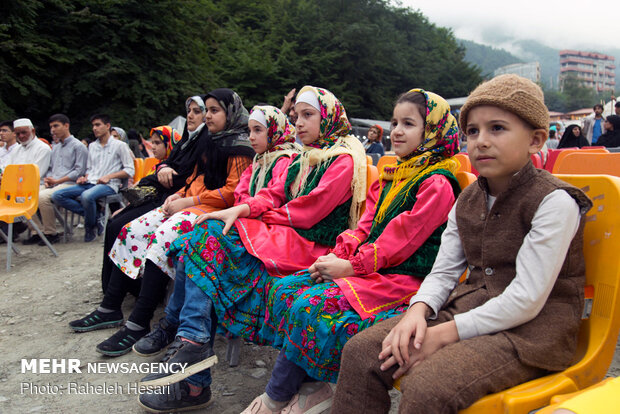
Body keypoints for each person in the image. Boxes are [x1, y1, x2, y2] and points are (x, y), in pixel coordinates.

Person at [331, 74, 593, 414]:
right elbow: (443, 272)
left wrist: (442, 334)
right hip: (469, 311)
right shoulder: (467, 198)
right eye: (472, 131)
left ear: (536, 140)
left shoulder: (554, 201)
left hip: (530, 333)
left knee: (428, 386)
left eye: (497, 128)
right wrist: (417, 311)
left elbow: (526, 299)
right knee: (361, 352)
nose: (480, 141)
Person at [137, 86, 367, 413]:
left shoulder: (342, 159)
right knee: (201, 236)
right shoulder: (303, 155)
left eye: (308, 115)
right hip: (283, 232)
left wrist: (253, 214)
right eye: (295, 116)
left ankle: (190, 361)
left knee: (207, 242)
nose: (298, 123)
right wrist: (244, 211)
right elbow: (272, 194)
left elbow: (306, 211)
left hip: (309, 243)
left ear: (328, 117)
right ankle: (191, 346)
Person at [245, 89, 461, 414]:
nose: (397, 131)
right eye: (394, 122)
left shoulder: (437, 183)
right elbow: (364, 227)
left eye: (409, 124)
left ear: (432, 131)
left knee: (310, 306)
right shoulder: (393, 175)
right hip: (370, 269)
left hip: (402, 279)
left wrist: (351, 267)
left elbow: (399, 241)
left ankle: (277, 395)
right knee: (286, 290)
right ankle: (312, 385)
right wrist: (338, 255)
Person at [68, 88, 254, 358]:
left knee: (162, 238)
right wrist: (179, 194)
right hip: (193, 202)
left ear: (231, 112)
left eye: (215, 111)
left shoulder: (240, 147)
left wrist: (188, 202)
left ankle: (139, 321)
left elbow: (232, 192)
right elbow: (197, 177)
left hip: (214, 211)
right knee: (131, 231)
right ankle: (110, 307)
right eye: (208, 110)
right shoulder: (212, 141)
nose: (209, 116)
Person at [99, 96, 210, 293]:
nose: (191, 116)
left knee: (123, 227)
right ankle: (113, 291)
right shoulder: (187, 141)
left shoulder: (206, 143)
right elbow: (169, 169)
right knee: (115, 223)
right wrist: (164, 167)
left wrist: (164, 172)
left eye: (197, 111)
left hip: (175, 198)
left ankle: (128, 292)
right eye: (189, 111)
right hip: (169, 196)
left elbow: (182, 177)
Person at [51, 114, 134, 242]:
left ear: (107, 126)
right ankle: (96, 217)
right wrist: (84, 177)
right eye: (93, 126)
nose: (94, 128)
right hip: (90, 182)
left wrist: (109, 176)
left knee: (87, 196)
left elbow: (129, 170)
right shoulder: (92, 146)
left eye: (98, 125)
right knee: (57, 195)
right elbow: (89, 169)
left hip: (109, 185)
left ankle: (90, 227)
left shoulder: (119, 145)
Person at [22, 114, 88, 246]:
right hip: (54, 184)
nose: (52, 130)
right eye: (51, 126)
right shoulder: (56, 147)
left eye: (56, 126)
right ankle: (37, 232)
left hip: (70, 184)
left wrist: (57, 181)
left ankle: (50, 233)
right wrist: (48, 179)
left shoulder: (78, 146)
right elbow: (51, 168)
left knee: (42, 197)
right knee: (24, 195)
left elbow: (79, 171)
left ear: (66, 126)